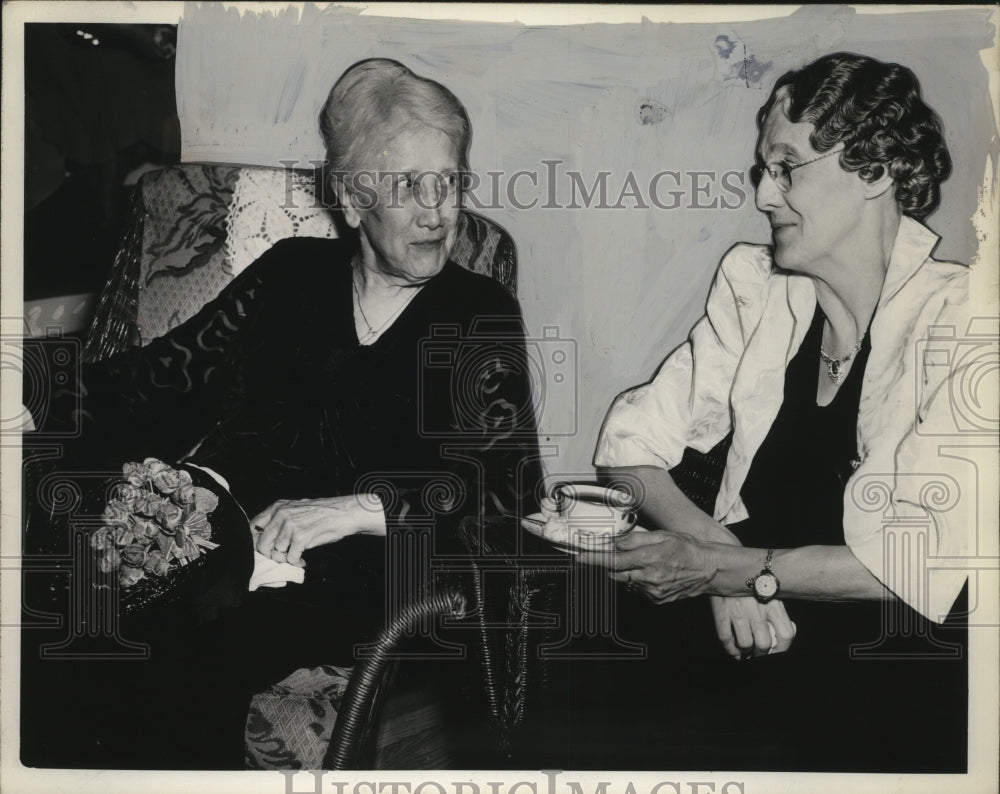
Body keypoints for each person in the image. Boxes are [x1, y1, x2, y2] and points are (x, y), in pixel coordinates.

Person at [23, 58, 541, 769]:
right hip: (230, 540)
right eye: (407, 186)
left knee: (181, 650)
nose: (436, 210)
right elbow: (160, 379)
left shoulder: (479, 313)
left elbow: (511, 491)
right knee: (67, 614)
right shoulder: (293, 273)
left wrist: (356, 508)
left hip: (363, 575)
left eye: (448, 182)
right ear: (354, 199)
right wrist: (30, 392)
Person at [587, 52, 969, 771]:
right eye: (763, 169)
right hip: (745, 631)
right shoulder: (756, 287)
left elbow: (912, 568)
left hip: (895, 656)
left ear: (876, 170)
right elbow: (627, 445)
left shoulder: (963, 321)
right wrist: (718, 559)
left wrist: (733, 573)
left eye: (788, 167)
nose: (765, 195)